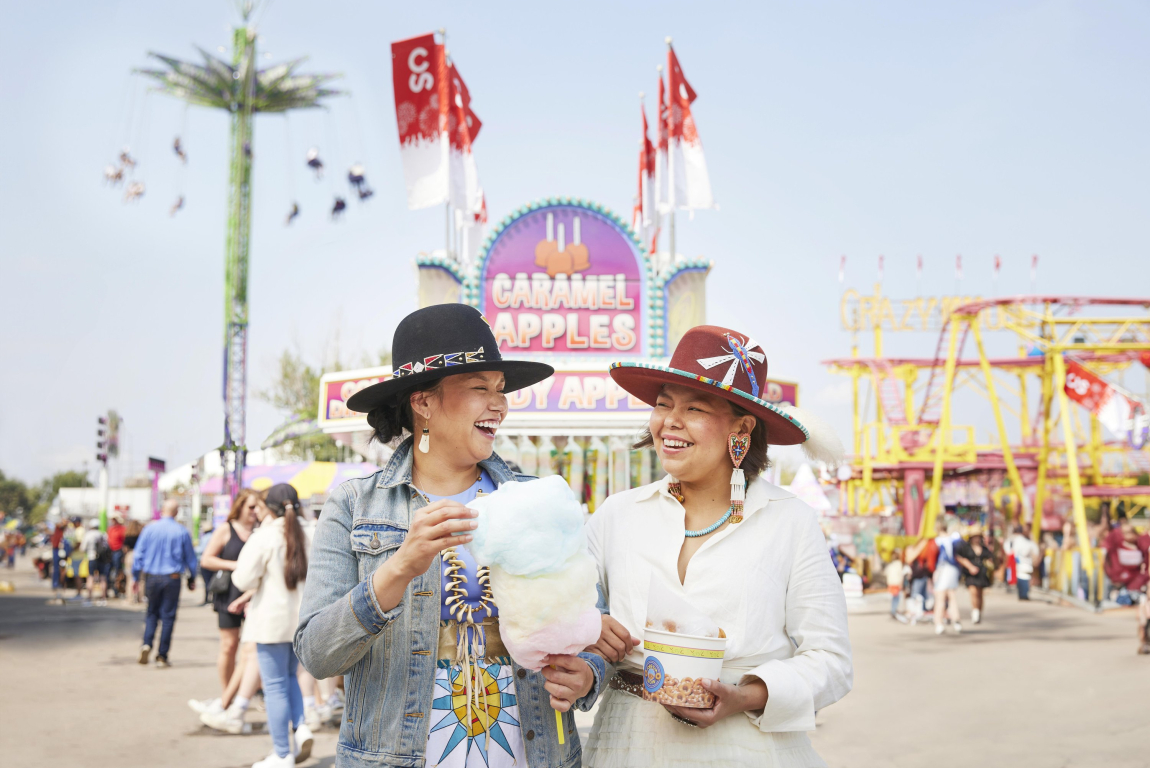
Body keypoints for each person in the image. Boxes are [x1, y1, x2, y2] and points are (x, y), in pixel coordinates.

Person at [295, 304, 605, 768]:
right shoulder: (354, 506)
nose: (498, 403)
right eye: (480, 388)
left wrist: (588, 675)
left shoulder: (535, 499)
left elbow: (592, 623)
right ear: (423, 402)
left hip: (532, 752)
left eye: (500, 390)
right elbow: (317, 654)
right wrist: (398, 568)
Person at [581, 324, 852, 767]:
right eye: (663, 403)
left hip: (749, 748)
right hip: (626, 744)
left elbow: (832, 660)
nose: (669, 420)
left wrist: (745, 695)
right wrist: (590, 628)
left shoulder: (790, 521)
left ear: (741, 428)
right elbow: (574, 619)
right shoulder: (617, 514)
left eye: (695, 408)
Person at [232, 483, 314, 768]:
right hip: (304, 621)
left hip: (270, 622)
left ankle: (282, 754)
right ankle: (301, 726)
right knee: (291, 677)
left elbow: (243, 579)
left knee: (275, 686)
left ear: (270, 507)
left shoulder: (265, 536)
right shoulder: (313, 532)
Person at [191, 489, 261, 716]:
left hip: (255, 593)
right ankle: (227, 694)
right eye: (251, 506)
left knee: (254, 647)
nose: (254, 511)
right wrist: (235, 565)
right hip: (229, 592)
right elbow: (207, 559)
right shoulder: (226, 529)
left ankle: (246, 694)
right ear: (240, 506)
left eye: (257, 507)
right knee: (229, 645)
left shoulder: (262, 531)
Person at [131, 500, 198, 667]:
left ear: (162, 510)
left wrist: (135, 577)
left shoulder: (149, 529)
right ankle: (162, 655)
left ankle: (146, 643)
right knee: (168, 617)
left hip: (152, 576)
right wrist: (192, 578)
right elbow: (191, 558)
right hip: (172, 577)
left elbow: (138, 555)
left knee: (151, 613)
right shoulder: (181, 531)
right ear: (176, 512)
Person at [958, 526, 995, 624]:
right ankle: (975, 611)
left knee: (980, 594)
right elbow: (960, 557)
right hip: (971, 574)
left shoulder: (984, 549)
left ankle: (978, 611)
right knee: (973, 592)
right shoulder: (966, 548)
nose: (976, 538)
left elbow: (990, 558)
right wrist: (970, 567)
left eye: (978, 536)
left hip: (982, 574)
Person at [1004, 526, 1041, 601]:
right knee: (1020, 580)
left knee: (1024, 580)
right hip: (1018, 565)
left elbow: (1035, 553)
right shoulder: (1017, 540)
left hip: (1026, 566)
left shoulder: (1029, 542)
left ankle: (1024, 594)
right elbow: (1010, 550)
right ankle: (1022, 594)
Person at [885, 548, 910, 622]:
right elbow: (901, 574)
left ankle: (893, 610)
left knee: (894, 597)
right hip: (896, 583)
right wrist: (901, 583)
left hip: (891, 582)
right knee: (896, 598)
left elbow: (886, 573)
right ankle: (894, 611)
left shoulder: (891, 564)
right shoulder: (899, 564)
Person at [107, 516, 126, 597]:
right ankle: (110, 589)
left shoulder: (122, 529)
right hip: (110, 552)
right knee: (109, 571)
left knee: (118, 572)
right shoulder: (110, 529)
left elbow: (124, 542)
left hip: (118, 552)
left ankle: (117, 590)